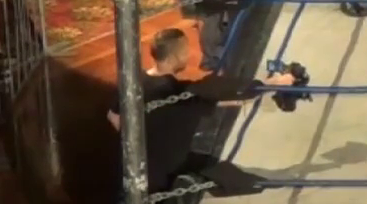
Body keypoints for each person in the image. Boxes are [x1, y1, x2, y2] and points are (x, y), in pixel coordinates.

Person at [106, 27, 293, 193]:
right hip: (162, 174)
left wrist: (138, 145)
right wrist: (277, 82)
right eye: (184, 52)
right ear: (174, 57)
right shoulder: (180, 93)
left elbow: (113, 115)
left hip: (131, 166)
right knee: (230, 178)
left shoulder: (134, 81)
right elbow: (233, 98)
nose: (188, 56)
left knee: (216, 170)